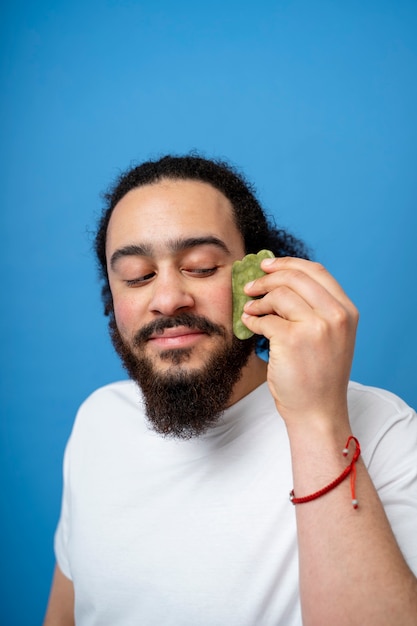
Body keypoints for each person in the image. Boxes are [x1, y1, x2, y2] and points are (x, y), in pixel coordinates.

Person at [44, 155, 417, 626]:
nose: (166, 299)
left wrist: (317, 420)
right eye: (138, 276)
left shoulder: (384, 432)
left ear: (258, 279)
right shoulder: (99, 420)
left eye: (201, 267)